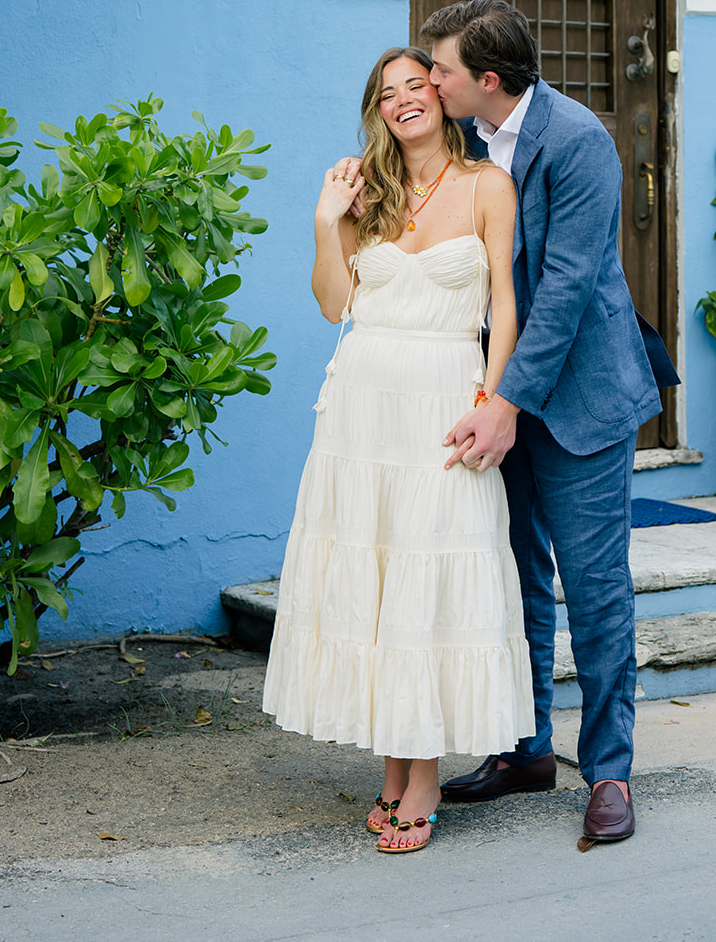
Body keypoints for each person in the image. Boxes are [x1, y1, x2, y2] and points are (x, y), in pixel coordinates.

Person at [418, 0, 679, 848]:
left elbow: (564, 289)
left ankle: (607, 771)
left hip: (579, 400)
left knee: (594, 589)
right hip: (496, 398)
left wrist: (507, 405)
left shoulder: (576, 140)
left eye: (443, 69)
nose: (430, 79)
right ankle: (524, 749)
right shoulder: (461, 140)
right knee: (512, 582)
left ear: (486, 80)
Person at [261, 46, 534, 854]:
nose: (404, 100)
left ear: (443, 96)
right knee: (379, 580)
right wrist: (325, 218)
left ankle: (420, 778)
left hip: (442, 404)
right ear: (377, 110)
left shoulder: (488, 184)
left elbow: (506, 309)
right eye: (388, 93)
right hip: (360, 412)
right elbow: (334, 302)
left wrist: (491, 403)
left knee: (425, 577)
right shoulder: (366, 190)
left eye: (417, 85)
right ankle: (395, 766)